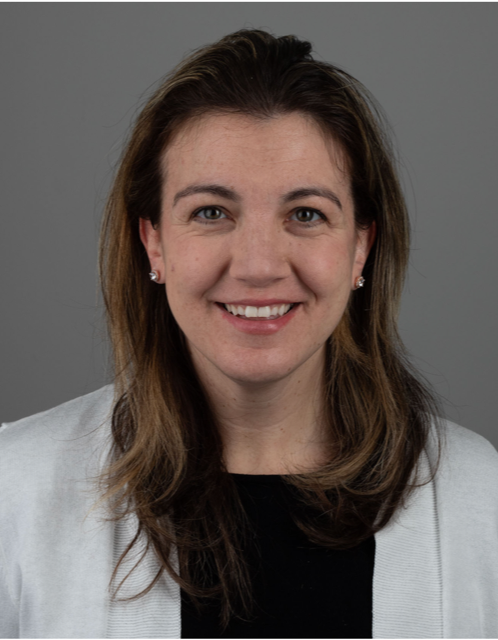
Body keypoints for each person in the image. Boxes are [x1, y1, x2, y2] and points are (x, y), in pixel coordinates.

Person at [1, 28, 497, 639]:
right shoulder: (14, 490)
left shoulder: (480, 501)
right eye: (211, 212)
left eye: (306, 214)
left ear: (361, 247)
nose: (259, 265)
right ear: (153, 242)